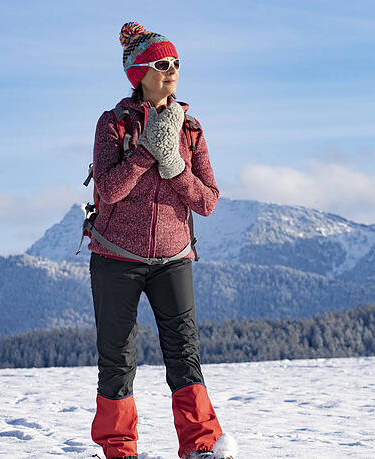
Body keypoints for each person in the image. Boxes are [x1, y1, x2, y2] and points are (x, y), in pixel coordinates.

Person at [87, 22, 237, 459]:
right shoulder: (112, 123)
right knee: (116, 359)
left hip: (173, 258)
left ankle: (201, 446)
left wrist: (172, 165)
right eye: (160, 64)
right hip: (116, 256)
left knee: (184, 356)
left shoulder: (191, 128)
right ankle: (118, 449)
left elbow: (208, 201)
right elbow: (109, 190)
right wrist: (146, 153)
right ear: (138, 73)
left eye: (175, 63)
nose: (171, 70)